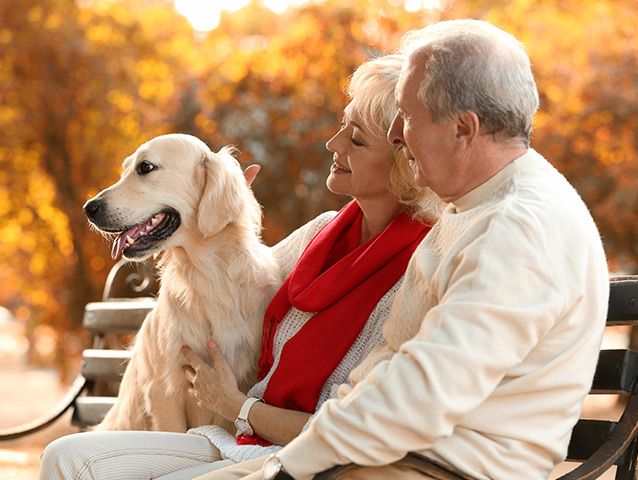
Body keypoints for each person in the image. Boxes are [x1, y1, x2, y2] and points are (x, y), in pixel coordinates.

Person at [194, 19, 609, 480]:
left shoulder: (519, 229)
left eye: (408, 116)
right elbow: (386, 367)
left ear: (462, 129)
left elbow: (421, 395)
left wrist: (286, 467)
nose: (395, 134)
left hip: (439, 471)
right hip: (383, 459)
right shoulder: (472, 208)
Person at [39, 54, 442, 480]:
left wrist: (237, 406)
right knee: (64, 457)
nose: (333, 143)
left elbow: (351, 427)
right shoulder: (323, 232)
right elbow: (239, 276)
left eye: (356, 139)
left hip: (304, 454)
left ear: (404, 160)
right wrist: (216, 196)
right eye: (342, 125)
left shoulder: (417, 271)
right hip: (239, 438)